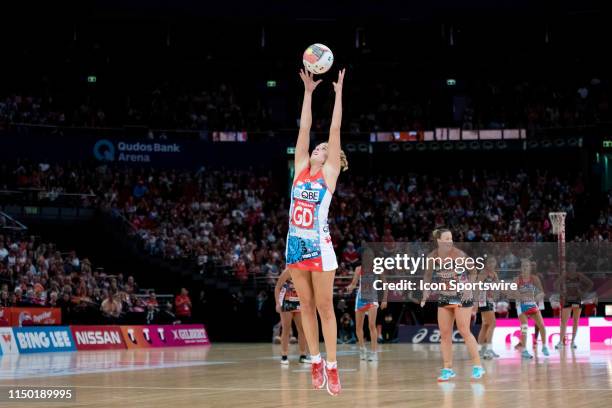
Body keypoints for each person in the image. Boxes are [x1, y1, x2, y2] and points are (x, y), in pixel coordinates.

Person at [286, 68, 347, 396]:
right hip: (295, 245)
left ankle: (334, 366)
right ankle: (315, 359)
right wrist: (308, 93)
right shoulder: (299, 169)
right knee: (304, 307)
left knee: (325, 307)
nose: (317, 149)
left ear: (331, 158)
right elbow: (305, 127)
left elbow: (334, 128)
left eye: (323, 148)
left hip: (320, 247)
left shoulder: (329, 175)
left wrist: (337, 94)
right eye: (318, 147)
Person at [421, 228, 484, 381]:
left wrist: (469, 288)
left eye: (451, 238)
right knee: (445, 334)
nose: (450, 241)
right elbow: (428, 276)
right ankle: (447, 368)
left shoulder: (459, 255)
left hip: (462, 295)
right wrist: (425, 293)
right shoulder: (432, 257)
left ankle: (477, 366)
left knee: (464, 330)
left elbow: (474, 272)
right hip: (445, 296)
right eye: (446, 238)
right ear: (439, 241)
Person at [347, 264, 387, 361]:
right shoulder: (358, 268)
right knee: (358, 327)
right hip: (360, 299)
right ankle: (362, 349)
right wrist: (350, 287)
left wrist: (385, 299)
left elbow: (385, 284)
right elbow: (354, 283)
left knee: (371, 325)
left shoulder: (379, 269)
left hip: (372, 297)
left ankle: (374, 352)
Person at [512, 259, 550, 359]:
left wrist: (536, 297)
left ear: (530, 268)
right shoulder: (517, 279)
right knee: (524, 326)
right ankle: (524, 350)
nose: (525, 267)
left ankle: (544, 347)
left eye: (527, 266)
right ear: (521, 268)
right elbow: (512, 293)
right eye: (523, 266)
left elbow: (542, 292)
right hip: (521, 305)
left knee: (541, 325)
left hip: (532, 304)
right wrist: (520, 296)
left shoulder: (535, 278)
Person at [274, 268, 310, 365]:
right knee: (286, 329)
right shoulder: (288, 271)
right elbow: (277, 287)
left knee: (302, 329)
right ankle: (284, 356)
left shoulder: (306, 271)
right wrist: (277, 303)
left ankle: (303, 356)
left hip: (298, 301)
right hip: (286, 301)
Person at [554, 261, 593, 349]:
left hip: (577, 300)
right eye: (570, 266)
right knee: (564, 321)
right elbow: (555, 285)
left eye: (573, 266)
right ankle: (560, 342)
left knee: (576, 320)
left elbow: (591, 284)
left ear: (576, 267)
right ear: (568, 267)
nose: (572, 268)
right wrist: (563, 294)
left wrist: (583, 293)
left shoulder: (579, 275)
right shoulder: (565, 275)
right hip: (568, 300)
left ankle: (573, 342)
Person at [476, 256, 500, 359]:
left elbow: (498, 286)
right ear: (486, 264)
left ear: (495, 263)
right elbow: (476, 286)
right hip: (483, 299)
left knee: (485, 325)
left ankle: (480, 351)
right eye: (489, 262)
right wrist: (475, 302)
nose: (491, 264)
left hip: (490, 300)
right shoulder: (483, 273)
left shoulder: (494, 274)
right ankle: (489, 349)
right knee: (492, 323)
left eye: (493, 262)